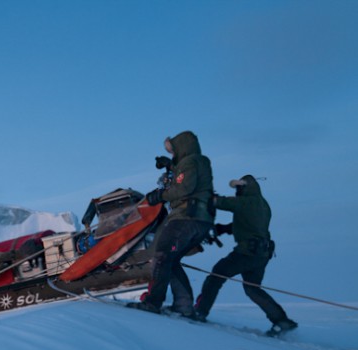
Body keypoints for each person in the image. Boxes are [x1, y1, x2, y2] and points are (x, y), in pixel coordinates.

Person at [193, 175, 298, 337]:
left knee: (217, 275)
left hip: (247, 252)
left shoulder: (248, 201)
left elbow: (222, 202)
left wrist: (206, 197)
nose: (237, 191)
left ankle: (200, 312)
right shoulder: (262, 204)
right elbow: (249, 225)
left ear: (246, 187)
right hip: (262, 254)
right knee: (252, 289)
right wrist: (223, 229)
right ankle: (281, 320)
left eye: (239, 188)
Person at [127, 131, 214, 316]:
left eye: (173, 151)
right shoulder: (198, 162)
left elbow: (183, 188)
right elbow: (187, 181)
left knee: (161, 255)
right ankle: (184, 306)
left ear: (182, 147)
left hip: (185, 218)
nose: (172, 155)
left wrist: (159, 195)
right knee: (171, 260)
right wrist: (171, 166)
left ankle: (152, 303)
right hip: (201, 220)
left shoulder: (190, 162)